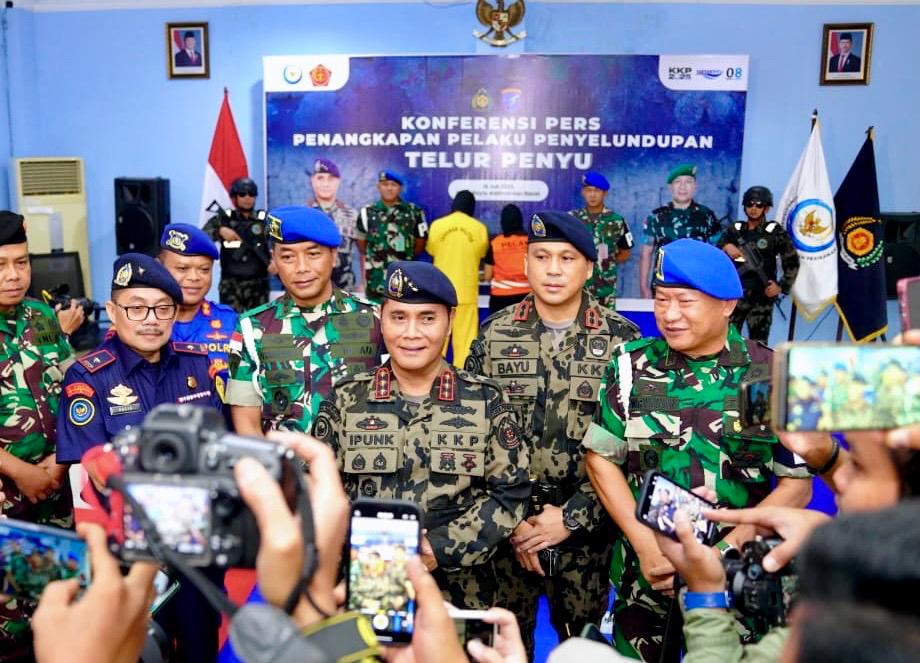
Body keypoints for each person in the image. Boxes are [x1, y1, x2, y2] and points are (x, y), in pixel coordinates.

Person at [584, 238, 812, 661]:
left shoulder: (772, 372)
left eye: (685, 301)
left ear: (727, 304)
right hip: (646, 582)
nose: (669, 315)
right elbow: (601, 459)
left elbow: (796, 487)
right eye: (661, 299)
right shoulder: (630, 366)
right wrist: (644, 544)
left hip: (739, 587)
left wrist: (720, 557)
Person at [465, 211, 641, 655]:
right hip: (505, 534)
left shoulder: (625, 342)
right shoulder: (493, 336)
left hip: (586, 536)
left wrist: (569, 518)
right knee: (498, 648)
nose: (554, 269)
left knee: (580, 649)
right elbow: (468, 436)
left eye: (567, 258)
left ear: (589, 267)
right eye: (542, 256)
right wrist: (515, 521)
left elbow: (636, 451)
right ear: (524, 264)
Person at [312, 261, 530, 609]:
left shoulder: (486, 398)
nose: (411, 333)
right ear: (381, 321)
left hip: (462, 592)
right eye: (398, 317)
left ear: (450, 321)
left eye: (427, 318)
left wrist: (439, 548)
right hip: (367, 583)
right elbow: (318, 492)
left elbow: (511, 492)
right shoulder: (346, 398)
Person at [226, 206, 382, 436]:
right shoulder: (251, 329)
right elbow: (247, 427)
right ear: (275, 261)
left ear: (334, 256)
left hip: (360, 469)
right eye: (288, 257)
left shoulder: (375, 320)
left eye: (313, 254)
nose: (301, 268)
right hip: (287, 470)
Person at [0, 212, 74, 663]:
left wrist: (59, 463)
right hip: (6, 502)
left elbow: (74, 395)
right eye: (1, 265)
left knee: (53, 616)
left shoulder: (44, 317)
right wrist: (20, 471)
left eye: (21, 263)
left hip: (53, 498)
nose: (13, 276)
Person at [158, 223, 238, 399]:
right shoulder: (142, 323)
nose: (194, 277)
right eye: (182, 268)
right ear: (160, 268)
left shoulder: (231, 322)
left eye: (204, 270)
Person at [720, 185, 799, 343]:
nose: (753, 208)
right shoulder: (735, 230)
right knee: (730, 340)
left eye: (759, 204)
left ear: (767, 208)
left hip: (761, 297)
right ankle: (734, 367)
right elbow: (716, 251)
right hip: (735, 295)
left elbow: (792, 262)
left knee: (759, 344)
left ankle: (758, 369)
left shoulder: (774, 232)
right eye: (750, 204)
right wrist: (726, 246)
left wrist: (781, 286)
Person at [426, 190, 489, 367]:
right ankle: (464, 382)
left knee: (436, 339)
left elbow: (431, 250)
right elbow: (482, 253)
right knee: (466, 344)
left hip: (439, 292)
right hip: (466, 292)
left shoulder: (437, 225)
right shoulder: (480, 228)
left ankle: (433, 378)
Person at [638, 165, 722, 298]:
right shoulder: (655, 217)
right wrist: (643, 288)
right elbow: (645, 254)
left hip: (696, 286)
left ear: (695, 186)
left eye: (688, 182)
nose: (683, 187)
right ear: (670, 186)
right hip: (664, 285)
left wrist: (713, 285)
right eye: (678, 182)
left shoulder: (707, 216)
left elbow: (717, 253)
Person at [202, 176, 270, 313]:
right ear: (234, 197)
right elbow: (202, 237)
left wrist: (276, 261)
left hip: (258, 285)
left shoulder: (265, 219)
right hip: (231, 286)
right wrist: (220, 230)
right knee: (231, 327)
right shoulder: (224, 219)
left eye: (251, 194)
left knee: (258, 326)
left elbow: (283, 240)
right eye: (242, 194)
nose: (247, 197)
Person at [356, 170, 428, 301]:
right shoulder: (367, 213)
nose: (389, 188)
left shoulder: (414, 212)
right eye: (385, 184)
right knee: (375, 319)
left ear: (400, 188)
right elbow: (362, 244)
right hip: (375, 282)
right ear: (379, 187)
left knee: (401, 317)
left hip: (403, 281)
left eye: (394, 185)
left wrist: (407, 255)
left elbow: (420, 242)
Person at [570, 171, 634, 309]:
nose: (592, 195)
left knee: (606, 326)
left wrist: (604, 263)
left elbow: (625, 253)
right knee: (577, 326)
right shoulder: (572, 219)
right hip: (577, 286)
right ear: (583, 192)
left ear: (605, 193)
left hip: (606, 288)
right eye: (588, 190)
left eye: (597, 191)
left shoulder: (617, 220)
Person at [307, 158, 361, 292]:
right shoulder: (303, 215)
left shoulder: (352, 215)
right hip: (312, 287)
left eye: (330, 178)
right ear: (312, 180)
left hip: (345, 289)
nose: (325, 183)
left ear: (338, 182)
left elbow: (363, 252)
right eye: (320, 178)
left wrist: (363, 283)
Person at [484, 204, 530, 316]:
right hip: (527, 296)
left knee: (499, 331)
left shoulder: (495, 243)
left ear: (502, 221)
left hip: (500, 298)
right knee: (525, 331)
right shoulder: (530, 241)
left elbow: (487, 276)